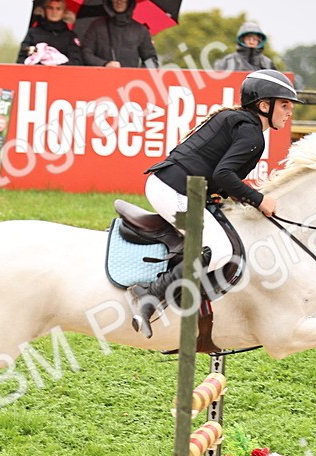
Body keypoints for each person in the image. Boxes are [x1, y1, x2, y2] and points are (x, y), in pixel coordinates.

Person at [128, 70, 300, 338]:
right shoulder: (252, 133)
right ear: (264, 106)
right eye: (285, 104)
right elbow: (223, 175)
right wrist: (259, 200)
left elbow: (218, 174)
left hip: (175, 186)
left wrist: (236, 195)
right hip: (173, 191)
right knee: (217, 250)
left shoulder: (240, 121)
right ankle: (148, 295)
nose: (290, 111)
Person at [80, 0, 158, 69]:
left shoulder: (140, 30)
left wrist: (138, 75)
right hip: (100, 78)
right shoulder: (97, 26)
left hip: (131, 79)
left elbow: (151, 60)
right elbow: (86, 53)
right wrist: (104, 64)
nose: (119, 1)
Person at [18, 0, 83, 66]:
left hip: (62, 72)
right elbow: (21, 60)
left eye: (58, 8)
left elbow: (76, 61)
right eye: (50, 8)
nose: (54, 12)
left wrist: (55, 66)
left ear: (64, 12)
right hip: (36, 71)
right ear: (44, 10)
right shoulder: (32, 32)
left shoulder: (70, 36)